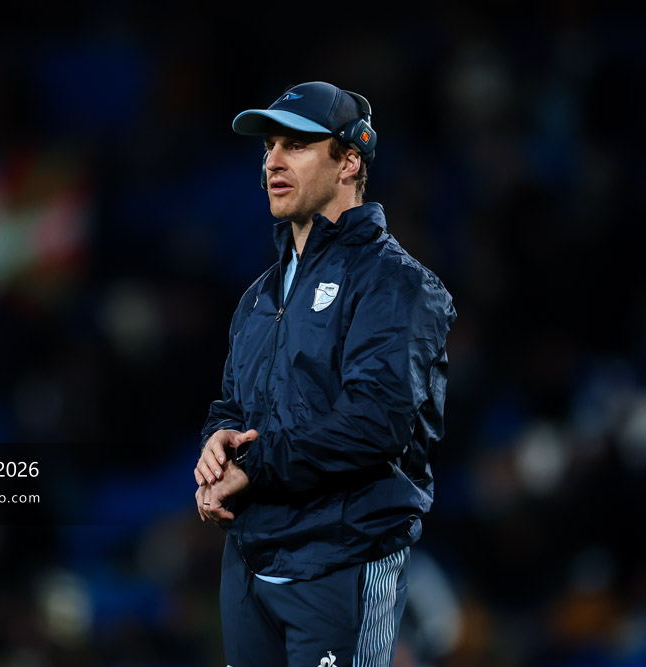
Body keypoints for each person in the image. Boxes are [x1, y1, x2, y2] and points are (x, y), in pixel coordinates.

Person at [194, 81, 457, 666]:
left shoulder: (397, 284)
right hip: (250, 564)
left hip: (341, 557)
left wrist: (253, 466)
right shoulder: (258, 297)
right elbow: (235, 408)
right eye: (268, 148)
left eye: (297, 145)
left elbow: (376, 423)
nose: (273, 162)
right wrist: (218, 447)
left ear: (350, 161)